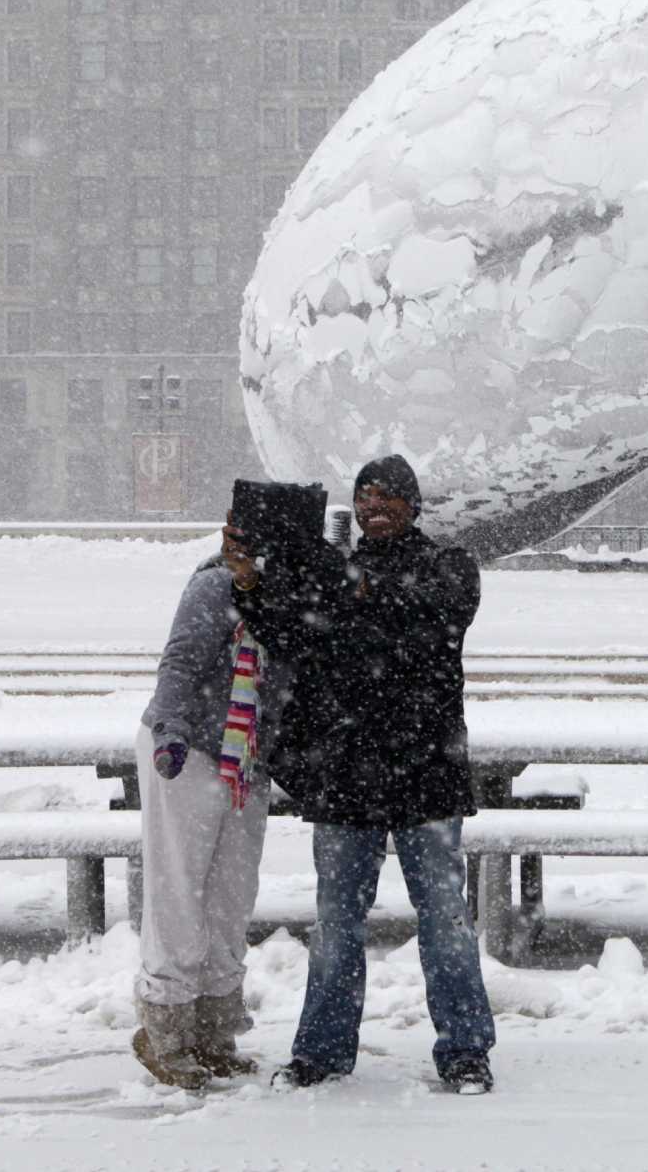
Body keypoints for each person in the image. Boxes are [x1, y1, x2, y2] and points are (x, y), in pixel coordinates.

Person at [246, 455, 497, 1096]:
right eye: (364, 498)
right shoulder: (336, 572)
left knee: (444, 919)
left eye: (387, 497)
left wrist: (344, 581)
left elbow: (434, 613)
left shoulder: (450, 565)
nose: (373, 508)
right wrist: (251, 581)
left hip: (425, 772)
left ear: (414, 505)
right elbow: (286, 633)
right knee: (335, 924)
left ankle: (466, 1050)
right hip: (346, 773)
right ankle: (322, 1052)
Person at [129, 522, 295, 1090]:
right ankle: (164, 1030)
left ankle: (213, 1030)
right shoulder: (214, 585)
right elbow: (179, 662)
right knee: (178, 888)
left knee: (231, 895)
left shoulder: (297, 592)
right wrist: (172, 727)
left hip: (247, 758)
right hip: (189, 748)